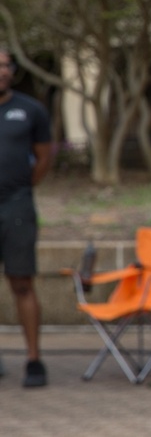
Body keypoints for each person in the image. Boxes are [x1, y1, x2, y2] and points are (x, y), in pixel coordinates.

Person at [0, 47, 54, 388]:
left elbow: (44, 159)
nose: (2, 71)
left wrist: (19, 189)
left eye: (5, 65)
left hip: (16, 206)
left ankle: (34, 360)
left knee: (22, 283)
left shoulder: (30, 110)